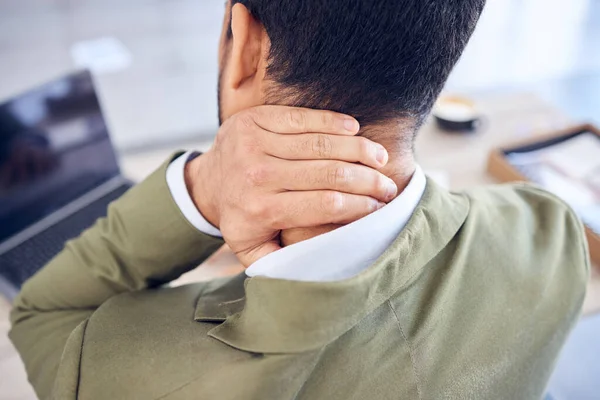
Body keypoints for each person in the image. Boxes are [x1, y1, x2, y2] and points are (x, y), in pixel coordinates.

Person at [10, 1, 590, 399]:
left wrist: (201, 188)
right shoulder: (551, 235)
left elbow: (41, 312)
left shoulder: (117, 370)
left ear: (245, 47)